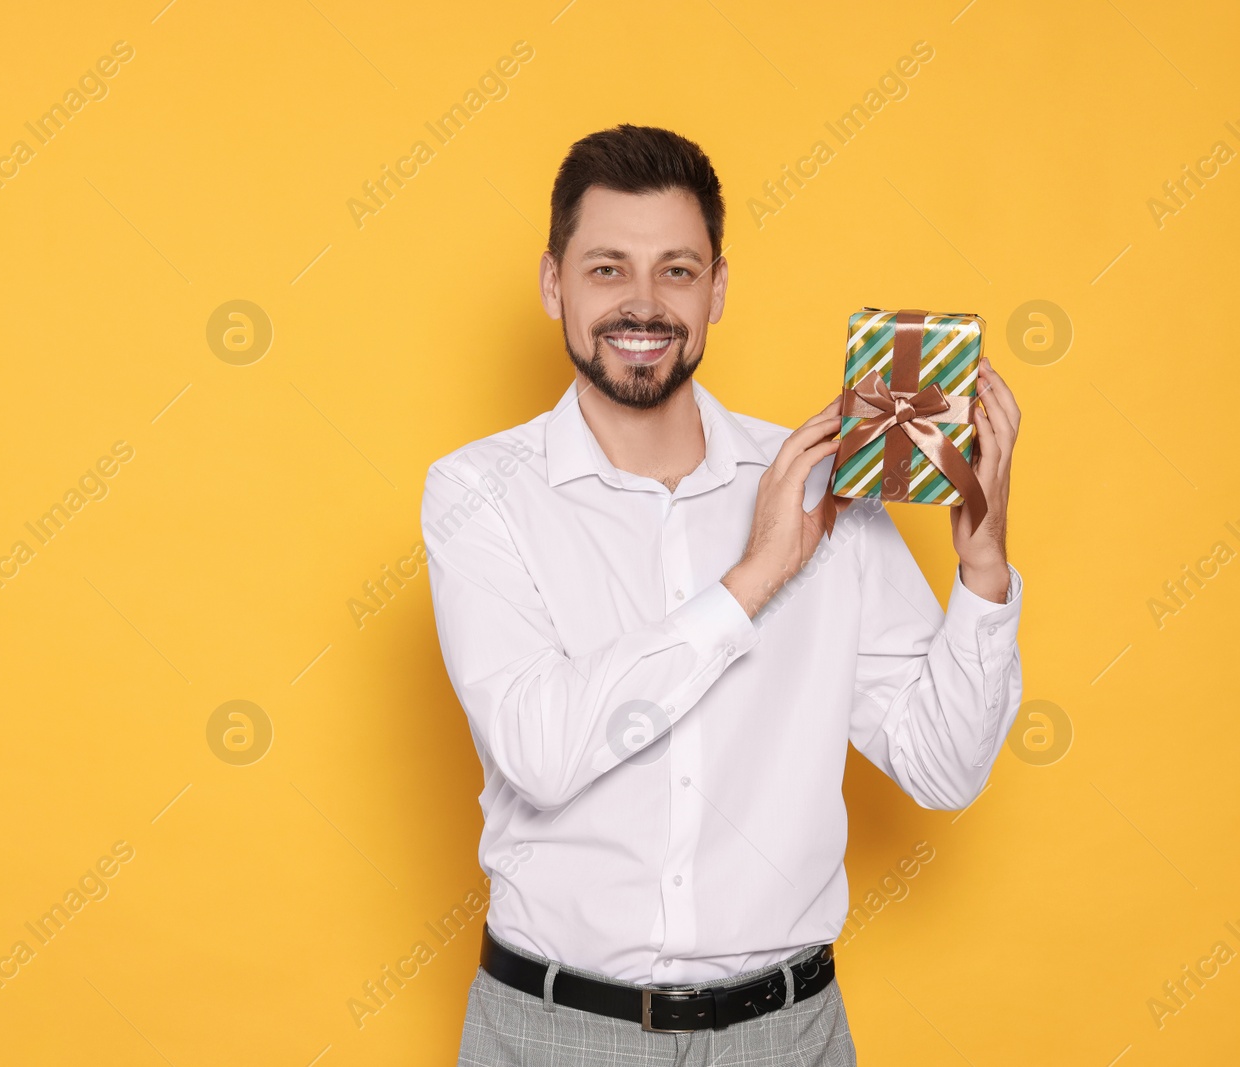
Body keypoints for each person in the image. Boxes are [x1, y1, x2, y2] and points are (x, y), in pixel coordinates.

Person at [419, 124, 1023, 1065]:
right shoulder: (477, 493)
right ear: (554, 284)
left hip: (786, 1036)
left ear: (718, 289)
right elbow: (541, 750)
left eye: (678, 271)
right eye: (608, 269)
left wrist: (983, 569)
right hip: (553, 1034)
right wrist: (755, 576)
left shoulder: (828, 483)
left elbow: (942, 768)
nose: (644, 304)